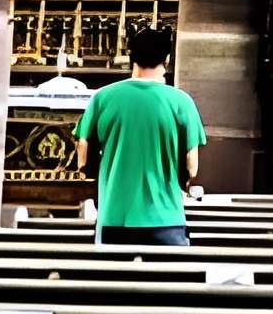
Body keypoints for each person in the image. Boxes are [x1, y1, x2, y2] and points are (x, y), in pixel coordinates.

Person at [75, 25, 204, 244]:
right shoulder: (182, 102)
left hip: (114, 217)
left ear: (130, 55)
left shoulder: (102, 98)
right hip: (167, 219)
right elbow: (191, 167)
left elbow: (83, 161)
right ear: (166, 58)